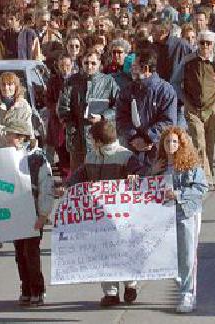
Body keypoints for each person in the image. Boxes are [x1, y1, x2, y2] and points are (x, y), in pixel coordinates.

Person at [63, 120, 144, 307]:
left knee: (124, 249)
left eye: (91, 139)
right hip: (99, 214)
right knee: (103, 251)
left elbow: (141, 173)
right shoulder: (91, 157)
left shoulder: (125, 156)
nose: (89, 141)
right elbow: (81, 174)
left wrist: (135, 176)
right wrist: (68, 185)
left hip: (122, 214)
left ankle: (130, 284)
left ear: (99, 141)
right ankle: (111, 293)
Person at [144, 127, 208, 313]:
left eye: (174, 142)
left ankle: (187, 293)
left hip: (186, 213)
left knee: (187, 255)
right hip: (163, 216)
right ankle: (180, 285)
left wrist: (178, 194)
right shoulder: (159, 165)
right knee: (169, 256)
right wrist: (151, 172)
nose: (170, 145)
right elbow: (145, 188)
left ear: (181, 144)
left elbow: (201, 188)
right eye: (167, 142)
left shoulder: (190, 165)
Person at [2, 115, 55, 307]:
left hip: (32, 212)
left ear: (23, 136)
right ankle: (25, 287)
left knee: (31, 252)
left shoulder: (37, 159)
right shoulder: (6, 156)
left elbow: (46, 188)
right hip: (15, 212)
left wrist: (43, 215)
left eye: (13, 135)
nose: (9, 138)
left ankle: (37, 289)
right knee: (19, 252)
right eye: (8, 134)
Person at [58, 51, 120, 180]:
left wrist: (103, 117)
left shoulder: (108, 82)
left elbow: (118, 107)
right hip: (77, 138)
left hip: (101, 136)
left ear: (99, 64)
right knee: (78, 178)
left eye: (93, 63)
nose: (89, 66)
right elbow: (63, 108)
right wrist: (72, 126)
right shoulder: (71, 81)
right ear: (81, 63)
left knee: (101, 177)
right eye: (86, 63)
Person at [177, 30, 215, 177]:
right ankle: (204, 178)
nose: (205, 46)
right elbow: (175, 82)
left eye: (208, 43)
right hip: (193, 108)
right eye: (202, 42)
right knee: (199, 143)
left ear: (213, 45)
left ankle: (209, 171)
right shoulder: (188, 61)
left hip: (212, 108)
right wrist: (185, 101)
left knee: (209, 143)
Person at [117, 51, 178, 176]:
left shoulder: (165, 90)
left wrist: (148, 138)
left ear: (145, 69)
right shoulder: (127, 91)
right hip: (133, 151)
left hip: (158, 151)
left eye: (134, 67)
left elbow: (168, 121)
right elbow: (121, 118)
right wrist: (134, 138)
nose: (131, 70)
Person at [0, 72, 34, 151]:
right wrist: (7, 136)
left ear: (16, 86)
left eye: (10, 84)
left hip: (15, 153)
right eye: (3, 84)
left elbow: (26, 131)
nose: (6, 88)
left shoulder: (24, 106)